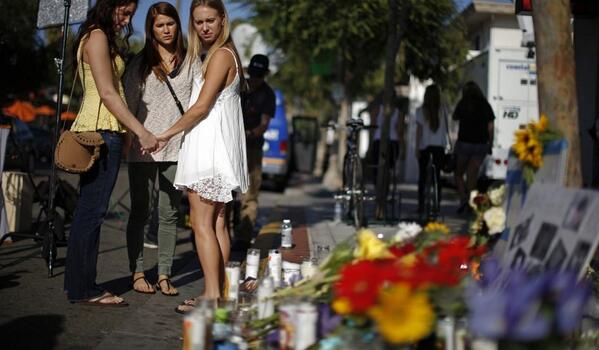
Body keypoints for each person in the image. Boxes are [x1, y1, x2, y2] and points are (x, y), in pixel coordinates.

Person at [151, 0, 248, 310]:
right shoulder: (222, 54)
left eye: (210, 20)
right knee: (217, 224)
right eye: (198, 22)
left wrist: (165, 134)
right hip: (218, 148)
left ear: (222, 20)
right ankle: (218, 293)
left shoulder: (220, 55)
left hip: (210, 149)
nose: (204, 27)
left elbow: (202, 107)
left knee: (203, 224)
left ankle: (211, 295)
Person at [64, 0, 158, 306]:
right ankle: (84, 288)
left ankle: (79, 284)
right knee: (91, 212)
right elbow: (107, 92)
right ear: (109, 4)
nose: (128, 17)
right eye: (124, 10)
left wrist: (128, 132)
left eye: (131, 13)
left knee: (87, 211)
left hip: (99, 128)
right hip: (101, 131)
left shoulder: (93, 34)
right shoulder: (98, 36)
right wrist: (140, 130)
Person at [123, 2, 195, 296]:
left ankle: (164, 273)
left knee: (169, 214)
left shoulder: (192, 62)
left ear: (177, 25)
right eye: (159, 25)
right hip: (143, 148)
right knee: (139, 211)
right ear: (150, 30)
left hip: (177, 148)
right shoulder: (139, 64)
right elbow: (127, 107)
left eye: (170, 23)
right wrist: (133, 137)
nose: (166, 29)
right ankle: (138, 272)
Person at [235, 54, 276, 248]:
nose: (255, 79)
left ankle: (243, 238)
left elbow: (264, 124)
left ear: (265, 75)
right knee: (226, 192)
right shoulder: (239, 86)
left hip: (252, 148)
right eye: (252, 74)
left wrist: (249, 133)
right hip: (231, 145)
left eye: (259, 76)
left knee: (250, 194)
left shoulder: (268, 94)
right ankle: (223, 232)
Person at [452, 81, 494, 212]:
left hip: (464, 144)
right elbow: (491, 126)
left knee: (458, 173)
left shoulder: (463, 104)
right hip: (481, 145)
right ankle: (473, 203)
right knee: (472, 175)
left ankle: (463, 199)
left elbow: (454, 117)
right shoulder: (485, 105)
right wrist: (490, 144)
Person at [415, 84, 447, 217]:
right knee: (437, 177)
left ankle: (421, 205)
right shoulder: (443, 110)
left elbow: (419, 131)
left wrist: (417, 147)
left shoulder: (420, 111)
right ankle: (437, 204)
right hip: (439, 147)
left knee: (422, 177)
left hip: (425, 147)